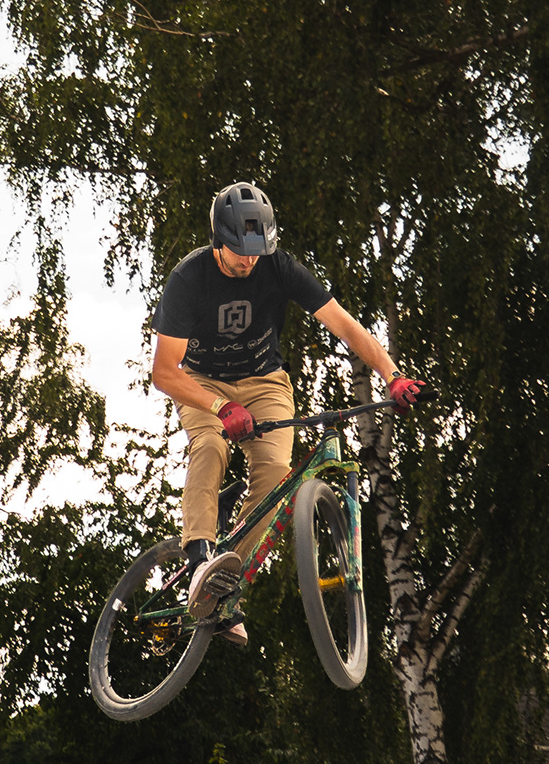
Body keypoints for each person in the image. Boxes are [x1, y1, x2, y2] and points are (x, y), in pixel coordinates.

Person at [149, 182, 420, 640]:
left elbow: (346, 326)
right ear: (218, 240)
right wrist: (220, 405)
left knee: (277, 476)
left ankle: (221, 590)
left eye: (257, 251)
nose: (249, 261)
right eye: (239, 252)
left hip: (265, 381)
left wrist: (392, 376)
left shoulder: (279, 267)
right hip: (203, 384)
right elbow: (163, 372)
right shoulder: (189, 279)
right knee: (210, 446)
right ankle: (197, 563)